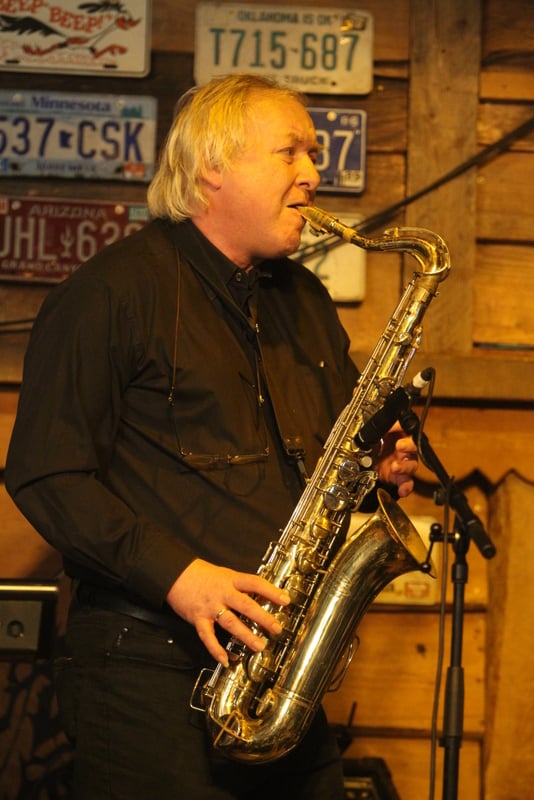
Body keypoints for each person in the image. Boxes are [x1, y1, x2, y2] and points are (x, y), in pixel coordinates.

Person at [5, 74, 419, 800]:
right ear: (211, 168)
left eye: (314, 154)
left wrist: (375, 465)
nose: (312, 174)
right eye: (290, 152)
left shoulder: (303, 299)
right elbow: (47, 473)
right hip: (144, 672)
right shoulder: (109, 292)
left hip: (277, 676)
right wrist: (180, 576)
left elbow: (330, 460)